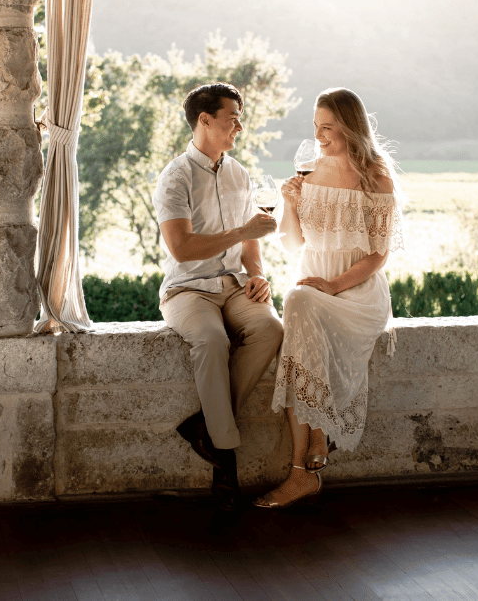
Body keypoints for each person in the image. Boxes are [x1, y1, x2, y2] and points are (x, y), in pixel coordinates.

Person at [253, 87, 404, 509]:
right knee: (299, 306)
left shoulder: (376, 176)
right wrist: (288, 202)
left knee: (299, 307)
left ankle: (300, 470)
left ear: (351, 127)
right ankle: (308, 454)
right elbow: (293, 244)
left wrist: (335, 286)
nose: (319, 136)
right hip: (311, 289)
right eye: (315, 127)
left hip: (356, 292)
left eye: (328, 128)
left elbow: (379, 254)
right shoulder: (308, 173)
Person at [154, 83, 284, 511]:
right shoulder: (175, 177)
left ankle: (206, 428)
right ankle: (225, 460)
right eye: (233, 118)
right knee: (211, 342)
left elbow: (250, 248)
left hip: (232, 285)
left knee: (270, 328)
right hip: (187, 288)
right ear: (204, 120)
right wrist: (245, 231)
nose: (240, 127)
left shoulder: (240, 174)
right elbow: (183, 249)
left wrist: (259, 276)